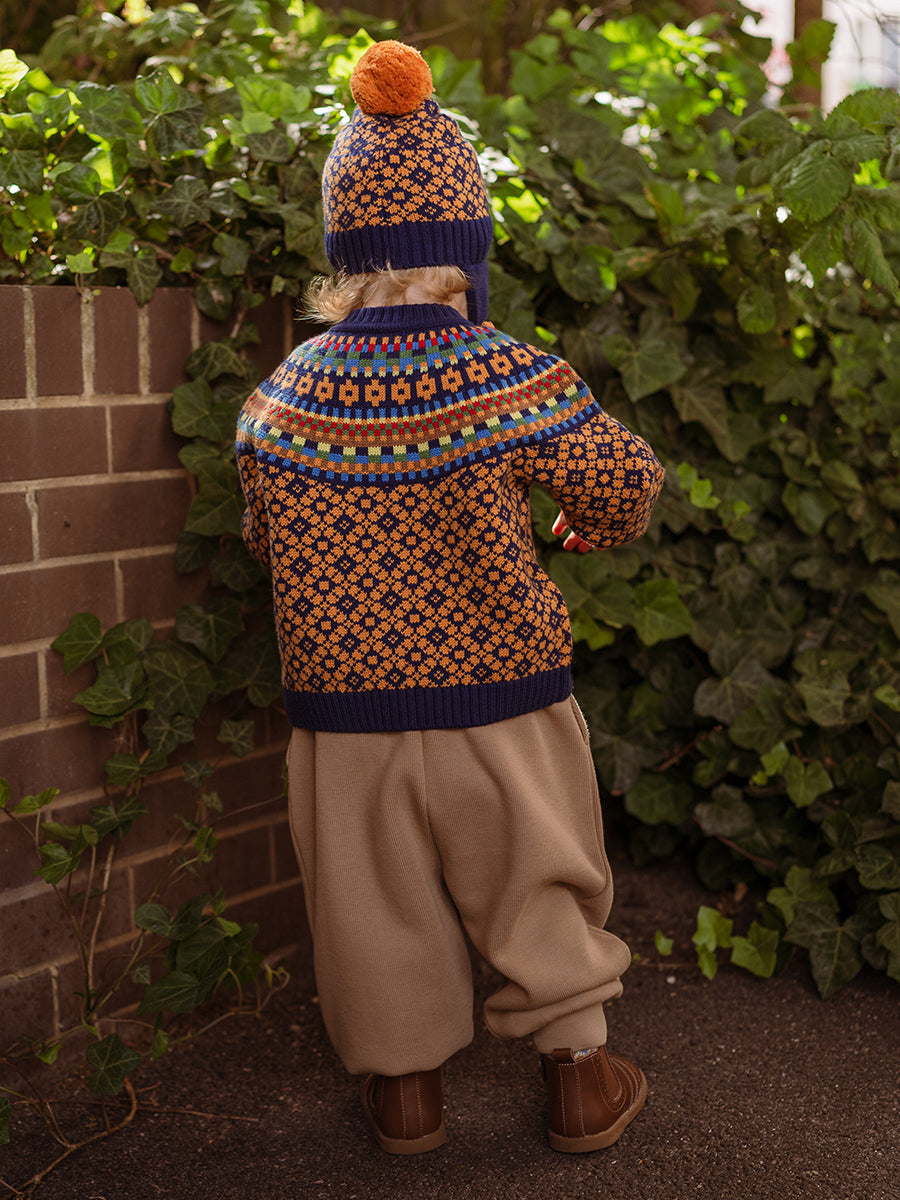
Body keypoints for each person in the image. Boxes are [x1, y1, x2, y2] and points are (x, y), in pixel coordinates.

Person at [236, 39, 664, 1156]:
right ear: (465, 245)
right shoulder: (506, 372)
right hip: (501, 692)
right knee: (535, 876)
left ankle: (406, 1096)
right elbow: (624, 482)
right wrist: (583, 526)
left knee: (370, 906)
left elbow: (263, 537)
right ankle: (581, 1077)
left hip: (346, 713)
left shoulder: (279, 401)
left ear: (345, 252)